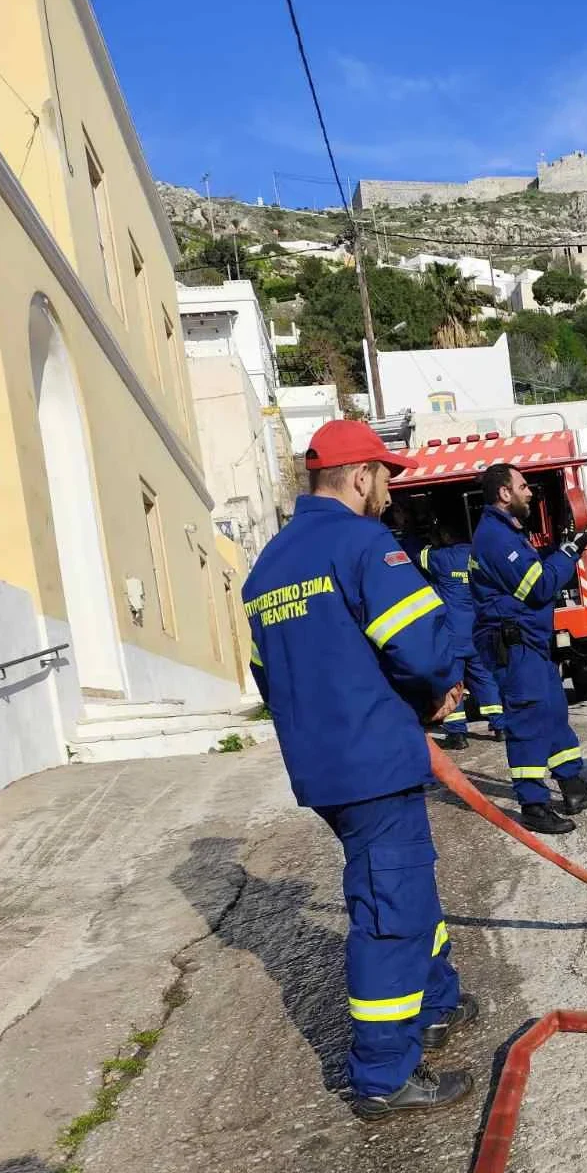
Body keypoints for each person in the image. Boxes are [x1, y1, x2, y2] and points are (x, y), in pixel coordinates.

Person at [244, 419, 478, 1118]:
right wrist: (436, 692)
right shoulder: (363, 545)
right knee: (389, 911)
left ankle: (435, 1003)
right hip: (372, 761)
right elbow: (421, 647)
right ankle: (383, 1073)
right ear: (356, 475)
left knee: (405, 883)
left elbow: (269, 678)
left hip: (326, 769)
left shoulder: (267, 569)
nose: (389, 487)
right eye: (384, 474)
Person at [471, 464, 587, 835]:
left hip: (530, 645)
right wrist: (568, 553)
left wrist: (565, 549)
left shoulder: (508, 534)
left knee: (552, 711)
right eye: (522, 486)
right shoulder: (495, 539)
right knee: (528, 722)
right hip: (514, 647)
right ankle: (533, 803)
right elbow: (538, 588)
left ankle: (573, 786)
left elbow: (534, 576)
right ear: (504, 494)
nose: (530, 493)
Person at [418, 517, 506, 750]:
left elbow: (415, 554)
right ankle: (500, 726)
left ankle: (457, 734)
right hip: (476, 632)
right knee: (485, 679)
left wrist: (411, 529)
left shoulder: (442, 558)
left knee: (452, 682)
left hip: (452, 636)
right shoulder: (476, 554)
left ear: (447, 536)